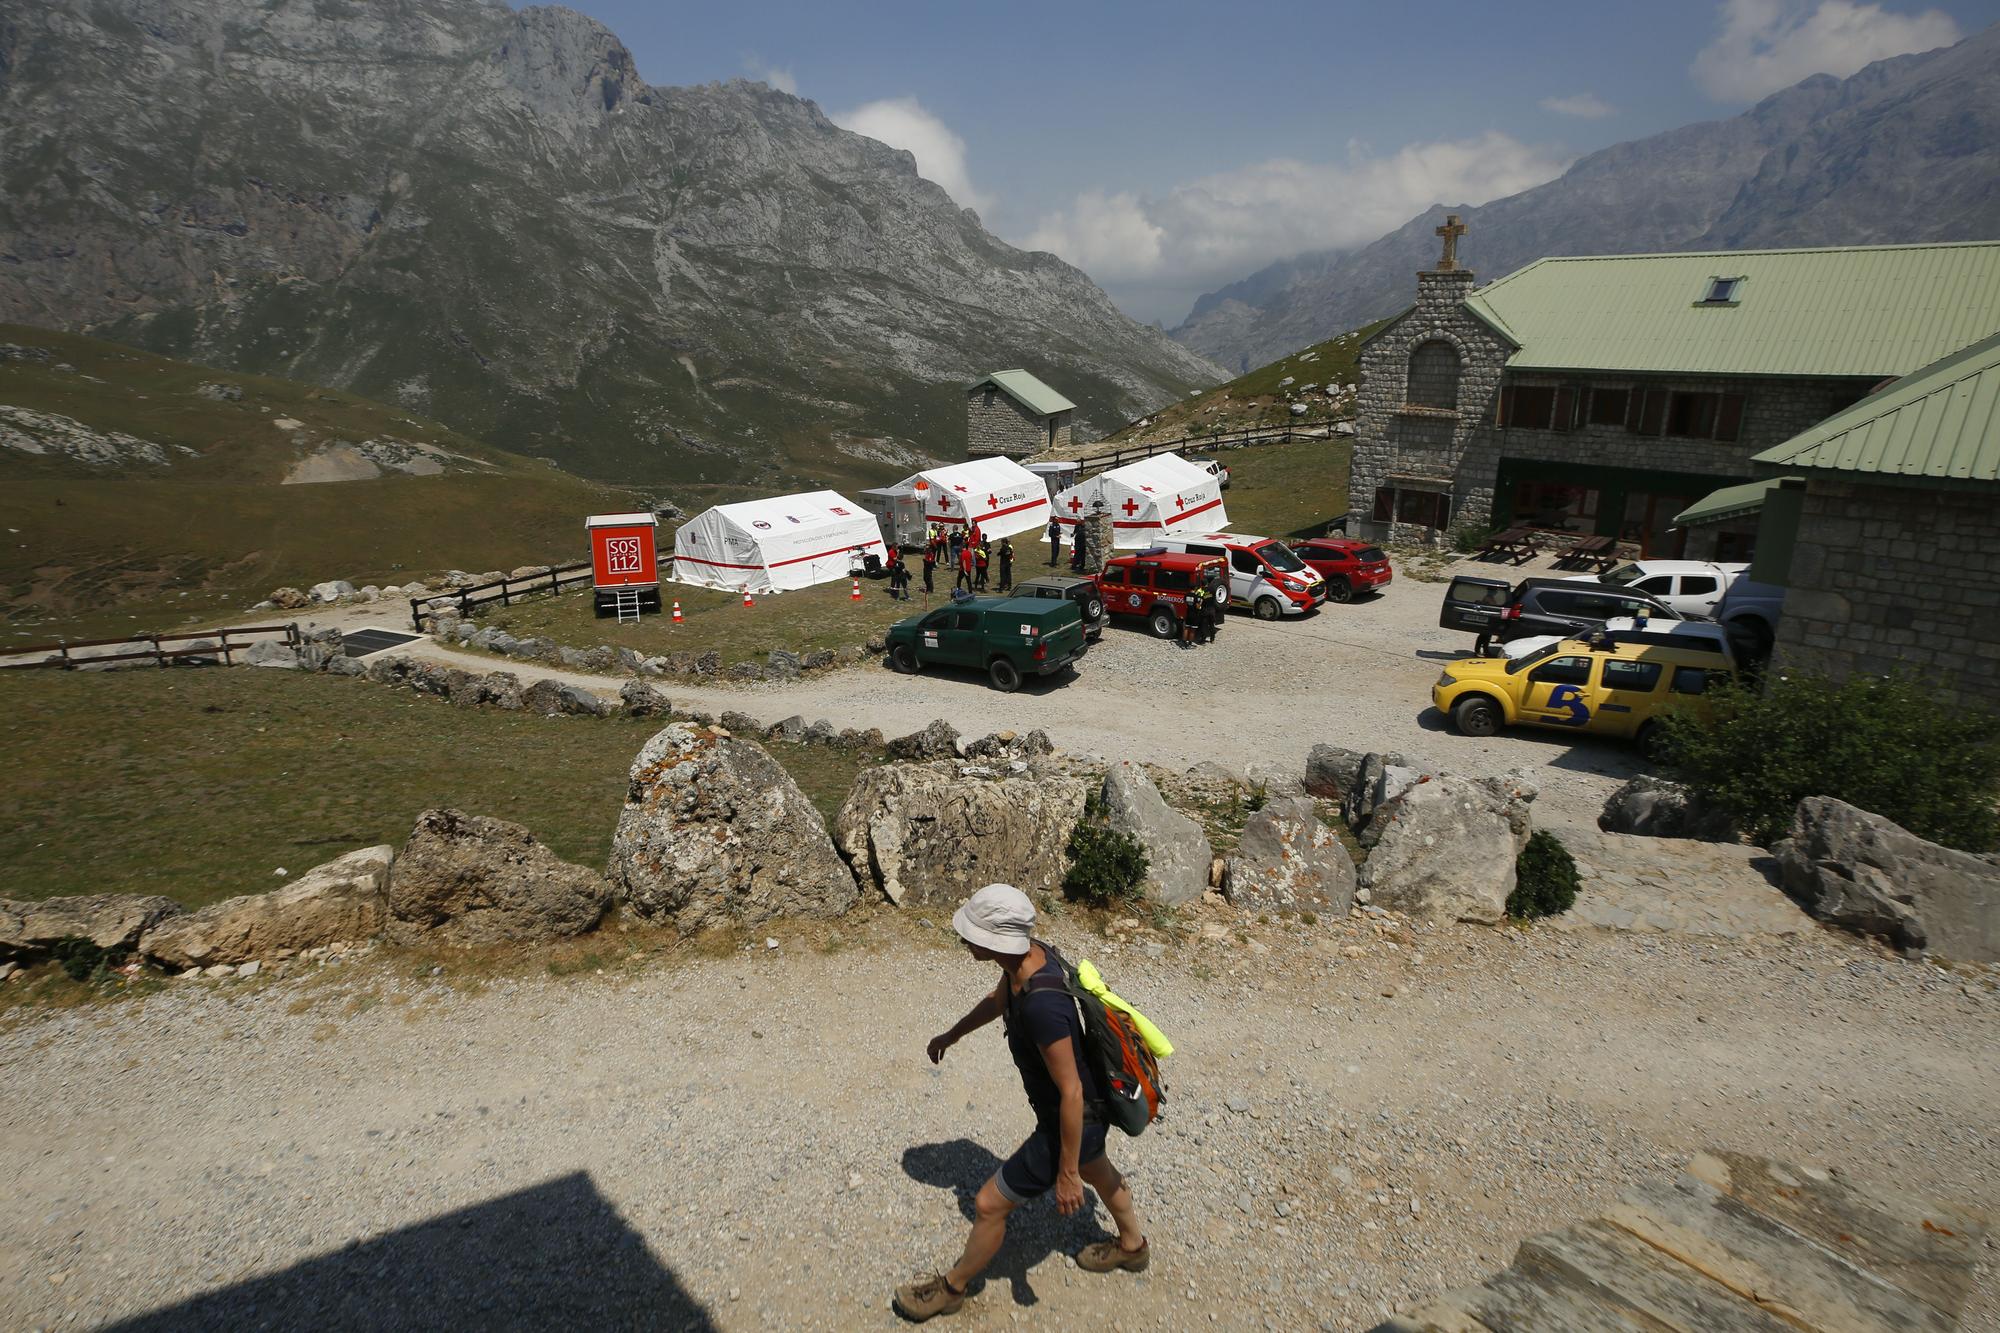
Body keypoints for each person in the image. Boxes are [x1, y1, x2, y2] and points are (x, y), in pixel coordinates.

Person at [893, 884, 1151, 1322]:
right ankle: (1132, 1246)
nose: (964, 940)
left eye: (972, 933)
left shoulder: (1042, 1007)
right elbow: (999, 1000)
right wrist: (952, 1035)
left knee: (991, 1204)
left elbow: (1069, 1092)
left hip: (1070, 1119)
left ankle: (952, 1289)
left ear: (995, 940)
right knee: (1098, 1166)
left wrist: (1066, 1174)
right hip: (1084, 1114)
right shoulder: (1030, 959)